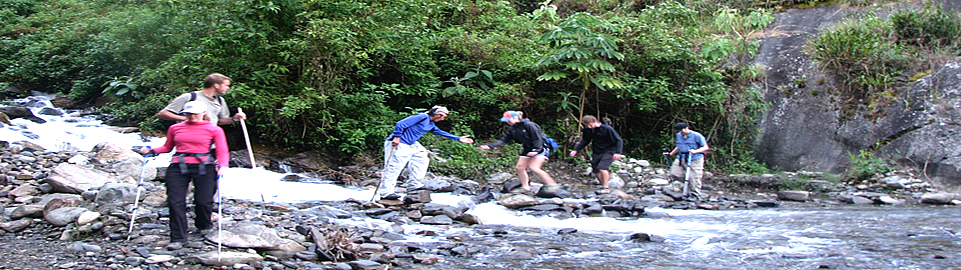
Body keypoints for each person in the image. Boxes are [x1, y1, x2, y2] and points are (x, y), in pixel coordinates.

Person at [139, 100, 229, 249]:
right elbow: (168, 147)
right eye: (189, 113)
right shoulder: (175, 128)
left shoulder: (214, 129)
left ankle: (204, 224)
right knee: (175, 202)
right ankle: (178, 237)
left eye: (195, 113)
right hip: (178, 166)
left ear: (203, 113)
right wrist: (152, 150)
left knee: (203, 201)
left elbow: (222, 150)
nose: (192, 116)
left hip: (204, 166)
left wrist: (223, 165)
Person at [380, 106, 474, 200]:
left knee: (422, 159)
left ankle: (414, 185)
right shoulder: (422, 116)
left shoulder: (430, 123)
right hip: (400, 143)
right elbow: (400, 124)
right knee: (393, 167)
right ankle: (386, 193)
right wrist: (397, 137)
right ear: (438, 115)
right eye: (443, 117)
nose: (443, 119)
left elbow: (439, 132)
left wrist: (458, 138)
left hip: (412, 143)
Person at [480, 111, 559, 192]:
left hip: (541, 147)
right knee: (520, 167)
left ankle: (552, 185)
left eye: (509, 120)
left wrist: (536, 150)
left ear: (515, 118)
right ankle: (525, 187)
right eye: (506, 121)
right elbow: (503, 140)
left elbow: (537, 138)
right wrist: (489, 146)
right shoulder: (512, 129)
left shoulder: (529, 125)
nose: (508, 122)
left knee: (534, 167)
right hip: (528, 148)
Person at [157, 73, 246, 126]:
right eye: (226, 85)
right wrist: (186, 118)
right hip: (188, 138)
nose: (228, 88)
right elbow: (163, 114)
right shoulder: (190, 97)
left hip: (209, 139)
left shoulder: (220, 100)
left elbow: (219, 121)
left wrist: (235, 118)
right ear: (216, 85)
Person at [569, 115, 625, 189]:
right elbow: (585, 140)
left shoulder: (607, 129)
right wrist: (576, 150)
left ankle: (605, 186)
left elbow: (618, 140)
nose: (589, 127)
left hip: (609, 150)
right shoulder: (588, 130)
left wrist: (618, 152)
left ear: (595, 121)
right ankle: (603, 185)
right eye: (587, 125)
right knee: (595, 169)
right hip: (597, 151)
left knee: (602, 167)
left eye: (590, 125)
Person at [664, 122, 709, 200]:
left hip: (695, 158)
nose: (680, 132)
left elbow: (705, 147)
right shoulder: (679, 136)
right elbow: (679, 146)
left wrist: (695, 151)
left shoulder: (697, 136)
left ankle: (695, 194)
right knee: (674, 173)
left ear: (686, 128)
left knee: (694, 177)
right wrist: (671, 154)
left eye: (681, 130)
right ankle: (687, 184)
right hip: (682, 157)